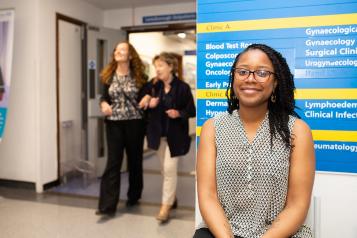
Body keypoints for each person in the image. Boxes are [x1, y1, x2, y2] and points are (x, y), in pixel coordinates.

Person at [194, 44, 315, 238]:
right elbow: (208, 197)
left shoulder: (297, 131)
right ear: (233, 77)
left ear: (275, 82)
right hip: (221, 232)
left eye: (261, 72)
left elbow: (297, 205)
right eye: (242, 71)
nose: (250, 78)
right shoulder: (212, 128)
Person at [96, 41, 150, 217]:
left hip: (135, 123)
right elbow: (103, 98)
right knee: (113, 162)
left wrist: (148, 96)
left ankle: (134, 196)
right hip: (114, 124)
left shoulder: (140, 76)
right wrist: (103, 103)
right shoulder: (108, 76)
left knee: (135, 161)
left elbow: (150, 92)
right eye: (116, 49)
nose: (118, 52)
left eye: (122, 50)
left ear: (130, 55)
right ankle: (107, 205)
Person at [145, 52, 196, 222]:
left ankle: (165, 207)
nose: (157, 69)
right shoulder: (154, 86)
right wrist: (148, 101)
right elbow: (141, 99)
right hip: (158, 136)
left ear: (171, 67)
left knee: (168, 169)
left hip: (175, 137)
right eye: (156, 66)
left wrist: (178, 113)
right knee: (164, 170)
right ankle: (171, 198)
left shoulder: (182, 87)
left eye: (160, 65)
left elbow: (191, 111)